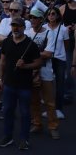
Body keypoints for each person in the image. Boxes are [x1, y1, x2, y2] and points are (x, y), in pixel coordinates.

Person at [0, 18, 42, 150]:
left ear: (23, 27)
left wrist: (25, 66)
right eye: (13, 26)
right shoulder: (7, 42)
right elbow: (2, 61)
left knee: (25, 113)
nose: (15, 28)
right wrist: (0, 79)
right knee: (8, 111)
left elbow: (38, 63)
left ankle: (24, 139)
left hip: (24, 86)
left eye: (18, 26)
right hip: (9, 84)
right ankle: (8, 136)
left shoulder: (30, 44)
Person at [26, 9, 60, 139]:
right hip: (31, 71)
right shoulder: (27, 33)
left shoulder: (50, 33)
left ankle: (53, 127)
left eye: (35, 17)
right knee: (34, 100)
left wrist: (32, 54)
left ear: (41, 19)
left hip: (45, 71)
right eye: (31, 17)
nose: (32, 20)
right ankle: (37, 124)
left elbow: (48, 53)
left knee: (49, 101)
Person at [46, 6, 69, 119]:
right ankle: (49, 109)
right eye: (49, 14)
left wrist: (59, 53)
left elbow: (66, 44)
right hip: (47, 58)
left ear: (57, 15)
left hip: (59, 59)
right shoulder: (44, 28)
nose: (51, 16)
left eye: (53, 14)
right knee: (47, 84)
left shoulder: (63, 29)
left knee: (60, 84)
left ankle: (58, 109)